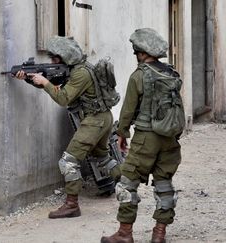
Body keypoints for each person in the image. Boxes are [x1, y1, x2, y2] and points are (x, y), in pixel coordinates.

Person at [15, 36, 118, 219]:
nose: (53, 62)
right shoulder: (80, 68)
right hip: (103, 118)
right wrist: (30, 79)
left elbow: (63, 98)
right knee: (102, 158)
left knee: (68, 161)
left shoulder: (80, 74)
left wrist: (44, 83)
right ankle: (130, 184)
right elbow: (55, 84)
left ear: (65, 57)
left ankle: (72, 205)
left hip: (94, 121)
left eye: (55, 58)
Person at [101, 28, 183, 243]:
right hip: (170, 139)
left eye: (136, 51)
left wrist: (122, 134)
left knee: (127, 183)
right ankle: (159, 234)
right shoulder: (171, 73)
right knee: (164, 183)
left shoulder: (139, 75)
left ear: (141, 52)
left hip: (146, 137)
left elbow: (128, 110)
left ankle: (124, 234)